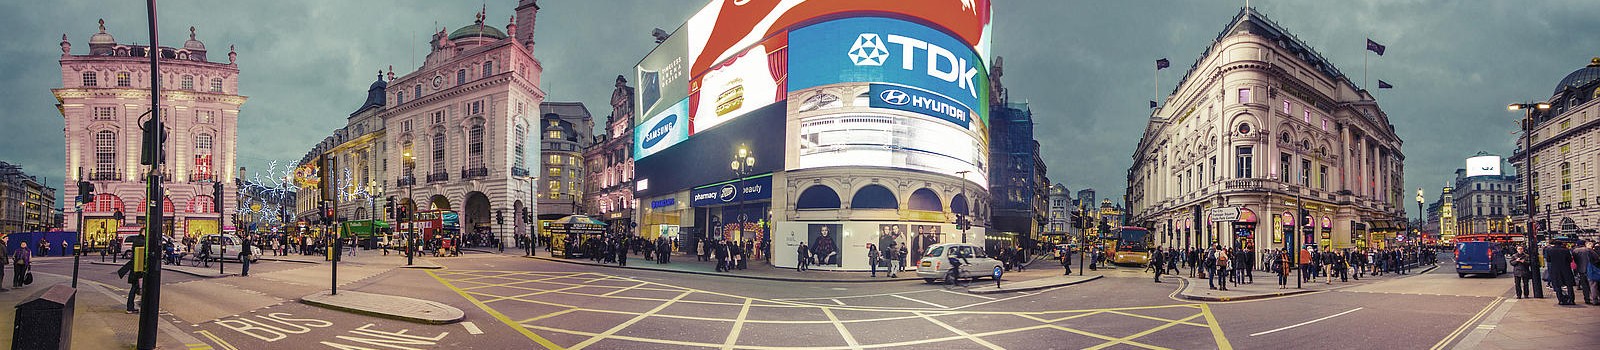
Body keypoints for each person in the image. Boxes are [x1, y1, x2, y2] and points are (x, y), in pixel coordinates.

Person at [1543, 239, 1578, 305]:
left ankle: (1561, 300)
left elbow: (1548, 260)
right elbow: (1570, 260)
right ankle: (1571, 300)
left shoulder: (1550, 250)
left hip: (1555, 270)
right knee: (1569, 285)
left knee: (1557, 285)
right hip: (1566, 269)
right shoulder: (1566, 250)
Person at [1573, 239, 1598, 305]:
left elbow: (1575, 261)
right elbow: (1596, 258)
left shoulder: (1575, 251)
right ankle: (1594, 299)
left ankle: (1587, 299)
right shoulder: (1589, 250)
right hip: (1591, 270)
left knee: (1584, 286)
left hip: (1581, 270)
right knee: (1593, 285)